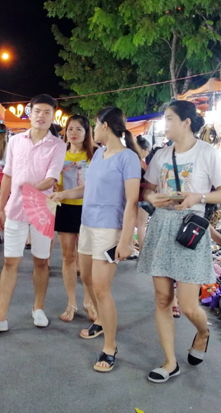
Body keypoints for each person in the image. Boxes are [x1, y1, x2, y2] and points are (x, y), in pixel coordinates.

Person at [139, 100, 221, 383]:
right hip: (162, 227)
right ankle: (170, 362)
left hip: (190, 230)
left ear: (186, 122)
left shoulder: (207, 154)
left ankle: (203, 333)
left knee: (189, 306)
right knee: (163, 298)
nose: (165, 124)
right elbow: (149, 191)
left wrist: (199, 197)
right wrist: (151, 198)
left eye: (169, 119)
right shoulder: (161, 155)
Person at [51, 107, 142, 373]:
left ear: (105, 125)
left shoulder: (128, 158)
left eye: (95, 124)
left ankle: (110, 347)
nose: (93, 128)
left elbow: (132, 201)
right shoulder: (100, 154)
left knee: (102, 289)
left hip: (108, 230)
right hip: (87, 224)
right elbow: (87, 187)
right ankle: (101, 321)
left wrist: (126, 240)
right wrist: (63, 194)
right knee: (87, 278)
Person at [0, 94, 67, 332]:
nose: (41, 116)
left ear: (52, 116)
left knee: (41, 261)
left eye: (47, 112)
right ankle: (0, 317)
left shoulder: (58, 145)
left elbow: (51, 178)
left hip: (41, 209)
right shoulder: (16, 141)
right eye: (37, 111)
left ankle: (38, 308)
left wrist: (29, 190)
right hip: (15, 208)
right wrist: (1, 207)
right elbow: (7, 175)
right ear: (29, 112)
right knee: (10, 261)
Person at [53, 115, 96, 323]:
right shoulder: (59, 154)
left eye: (79, 129)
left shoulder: (95, 154)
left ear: (87, 132)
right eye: (70, 128)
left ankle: (89, 299)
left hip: (88, 211)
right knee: (68, 257)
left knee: (87, 259)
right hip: (64, 209)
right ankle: (71, 301)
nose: (74, 133)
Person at [135, 135, 152, 249]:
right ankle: (142, 251)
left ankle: (133, 247)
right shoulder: (139, 163)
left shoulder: (136, 161)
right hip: (141, 198)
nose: (148, 153)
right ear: (143, 150)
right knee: (141, 226)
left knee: (133, 225)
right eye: (148, 151)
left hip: (134, 198)